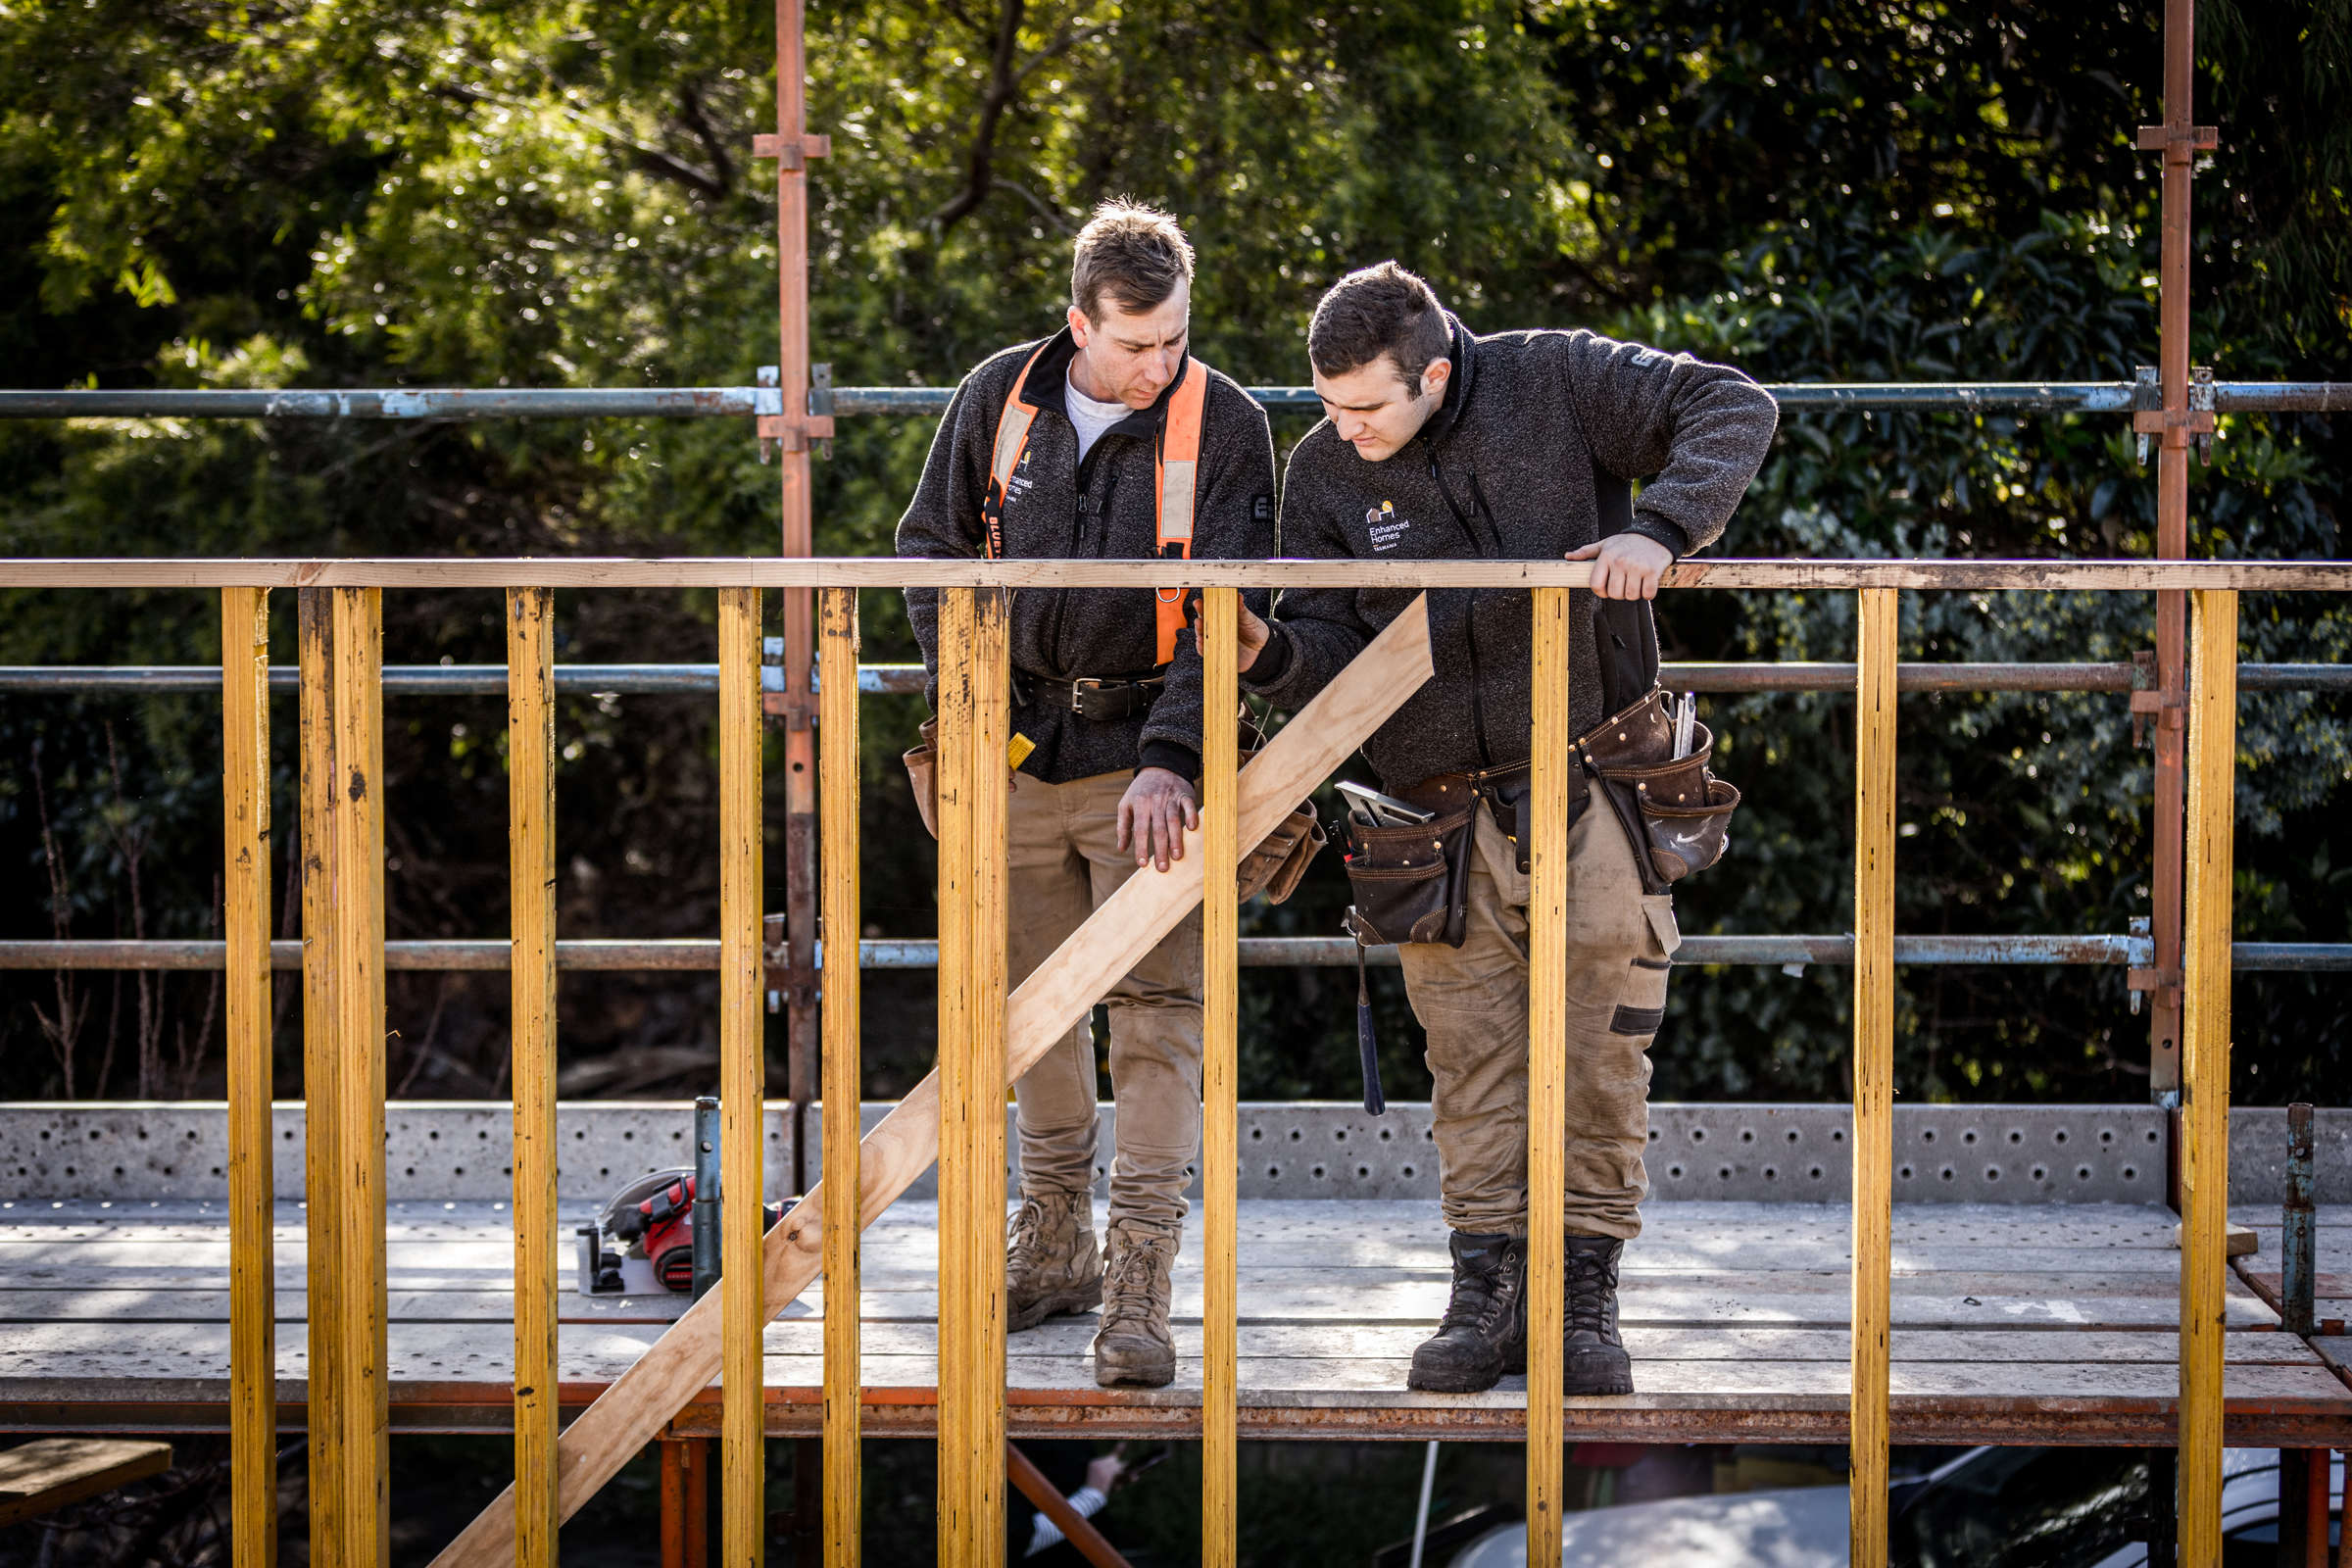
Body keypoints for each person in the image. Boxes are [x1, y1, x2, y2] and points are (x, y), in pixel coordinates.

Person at [1235, 262, 1776, 1395]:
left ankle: (1585, 1294)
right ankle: (1482, 1292)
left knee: (1598, 1047)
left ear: (1434, 371)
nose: (1345, 430)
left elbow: (1735, 405)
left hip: (1594, 775)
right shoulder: (1323, 466)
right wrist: (1271, 656)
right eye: (1328, 405)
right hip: (1431, 809)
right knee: (1469, 1058)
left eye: (1369, 407)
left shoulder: (1560, 378)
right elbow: (1328, 646)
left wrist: (1664, 529)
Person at [898, 200, 1278, 1388]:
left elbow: (1232, 603)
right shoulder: (997, 397)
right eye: (1134, 344)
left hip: (1146, 759)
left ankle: (1139, 1275)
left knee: (1159, 1013)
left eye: (1174, 339)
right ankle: (1054, 1237)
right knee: (1028, 1009)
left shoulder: (1230, 424)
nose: (1158, 365)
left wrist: (1176, 755)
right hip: (1011, 749)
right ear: (1078, 322)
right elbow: (925, 552)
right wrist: (971, 716)